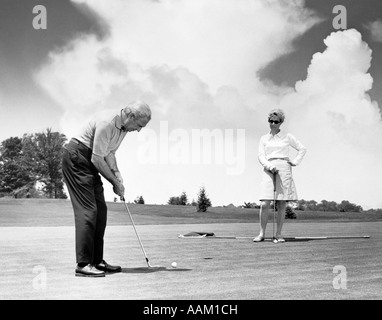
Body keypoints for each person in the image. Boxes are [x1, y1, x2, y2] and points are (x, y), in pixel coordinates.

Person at [62, 100, 151, 277]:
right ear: (131, 116)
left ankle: (96, 261)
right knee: (88, 211)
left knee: (100, 211)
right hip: (77, 157)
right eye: (139, 125)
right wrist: (114, 183)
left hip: (91, 159)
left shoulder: (124, 128)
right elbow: (97, 159)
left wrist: (117, 173)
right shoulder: (107, 123)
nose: (139, 130)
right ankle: (83, 264)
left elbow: (109, 152)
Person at [253, 109, 306, 243]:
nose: (272, 124)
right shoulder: (263, 138)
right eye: (270, 121)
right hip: (268, 168)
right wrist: (270, 166)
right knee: (265, 203)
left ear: (280, 123)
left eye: (276, 121)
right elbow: (260, 156)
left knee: (281, 204)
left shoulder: (288, 136)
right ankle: (261, 233)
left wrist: (294, 162)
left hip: (283, 168)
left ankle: (278, 234)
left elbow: (302, 149)